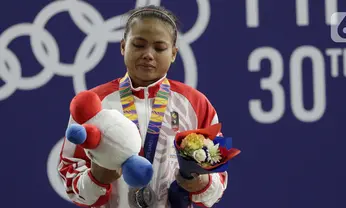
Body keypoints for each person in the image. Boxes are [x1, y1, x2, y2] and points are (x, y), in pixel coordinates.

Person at [58, 5, 228, 208]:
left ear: (173, 53)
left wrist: (201, 183)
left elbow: (220, 179)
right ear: (123, 47)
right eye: (139, 45)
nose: (148, 54)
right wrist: (96, 179)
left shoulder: (197, 103)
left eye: (159, 48)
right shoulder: (95, 103)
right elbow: (69, 174)